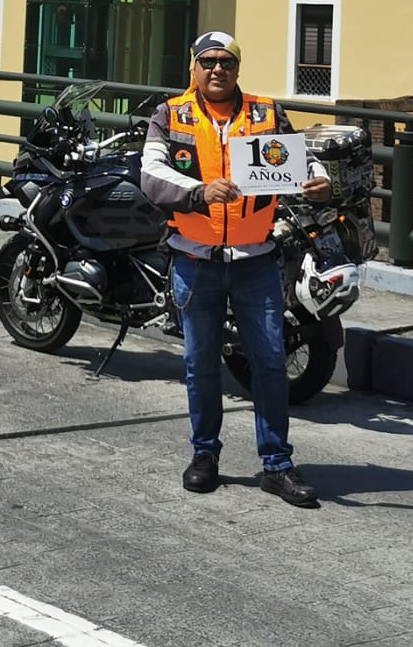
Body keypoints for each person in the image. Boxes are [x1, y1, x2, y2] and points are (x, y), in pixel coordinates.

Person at [141, 29, 332, 507]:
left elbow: (298, 161)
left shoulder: (267, 113)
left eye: (226, 61)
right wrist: (198, 193)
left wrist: (318, 181)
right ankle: (204, 455)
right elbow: (151, 174)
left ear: (238, 68)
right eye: (208, 62)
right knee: (198, 364)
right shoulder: (170, 115)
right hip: (195, 259)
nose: (217, 70)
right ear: (194, 68)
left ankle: (277, 465)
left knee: (269, 363)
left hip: (255, 261)